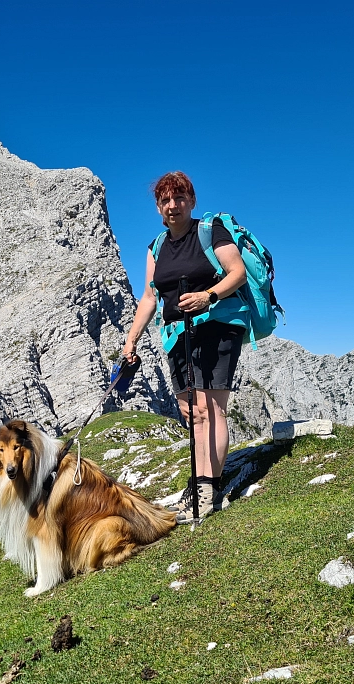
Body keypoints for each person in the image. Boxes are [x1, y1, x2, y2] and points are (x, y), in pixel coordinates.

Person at [121, 171, 248, 523]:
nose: (172, 205)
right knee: (191, 411)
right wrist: (131, 339)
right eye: (165, 200)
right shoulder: (157, 247)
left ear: (191, 201)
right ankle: (198, 484)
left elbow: (236, 272)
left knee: (210, 407)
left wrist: (209, 296)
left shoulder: (210, 233)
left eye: (179, 198)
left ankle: (208, 487)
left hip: (217, 325)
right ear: (158, 207)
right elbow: (150, 296)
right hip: (177, 333)